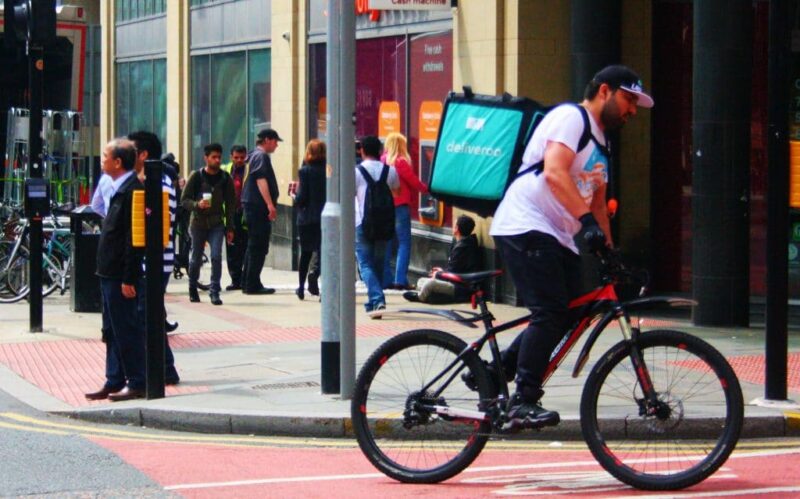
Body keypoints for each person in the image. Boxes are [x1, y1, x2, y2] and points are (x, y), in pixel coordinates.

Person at [487, 64, 653, 428]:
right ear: (605, 91)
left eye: (636, 104)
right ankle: (523, 400)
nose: (632, 110)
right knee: (549, 311)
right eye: (629, 99)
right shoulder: (570, 117)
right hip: (524, 222)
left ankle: (493, 371)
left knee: (574, 310)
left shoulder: (603, 143)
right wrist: (589, 226)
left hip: (557, 233)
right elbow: (554, 171)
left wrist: (612, 254)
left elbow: (597, 204)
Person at [85, 138, 147, 402]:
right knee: (111, 329)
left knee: (126, 328)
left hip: (120, 275)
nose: (102, 160)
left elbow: (134, 240)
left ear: (118, 162)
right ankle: (114, 379)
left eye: (105, 156)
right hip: (107, 271)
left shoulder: (133, 190)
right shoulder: (117, 188)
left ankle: (137, 381)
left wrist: (129, 277)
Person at [128, 131, 181, 385]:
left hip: (156, 261)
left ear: (144, 155)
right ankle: (163, 369)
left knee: (147, 314)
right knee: (150, 314)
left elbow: (154, 226)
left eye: (131, 151)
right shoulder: (150, 181)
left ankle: (163, 370)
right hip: (153, 261)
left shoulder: (157, 183)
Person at [181, 143, 236, 305]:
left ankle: (215, 291)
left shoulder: (225, 178)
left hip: (217, 223)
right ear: (206, 158)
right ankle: (192, 287)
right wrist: (197, 205)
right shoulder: (196, 176)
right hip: (198, 223)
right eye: (213, 157)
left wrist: (230, 227)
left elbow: (231, 204)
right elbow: (184, 200)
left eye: (219, 157)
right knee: (196, 258)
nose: (217, 160)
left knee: (216, 256)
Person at [355, 135, 399, 315]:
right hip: (384, 222)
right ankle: (374, 301)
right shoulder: (390, 170)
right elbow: (396, 191)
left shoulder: (357, 171)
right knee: (379, 262)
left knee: (365, 263)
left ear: (362, 151)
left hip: (362, 222)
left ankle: (377, 298)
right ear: (380, 151)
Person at [381, 132, 428, 290]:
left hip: (386, 207)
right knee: (404, 243)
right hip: (400, 206)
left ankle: (386, 279)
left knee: (387, 242)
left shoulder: (382, 160)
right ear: (400, 145)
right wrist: (429, 189)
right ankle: (400, 280)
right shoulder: (400, 162)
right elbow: (414, 181)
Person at [403, 215, 482, 304]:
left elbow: (454, 273)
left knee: (430, 284)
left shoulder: (463, 247)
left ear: (457, 229)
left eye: (454, 225)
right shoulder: (463, 244)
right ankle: (431, 295)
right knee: (421, 281)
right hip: (456, 283)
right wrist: (441, 272)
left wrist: (438, 274)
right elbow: (454, 269)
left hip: (461, 288)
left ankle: (420, 297)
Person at [241, 128, 281, 295]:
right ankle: (252, 284)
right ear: (266, 140)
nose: (276, 145)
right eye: (275, 141)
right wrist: (270, 205)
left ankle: (248, 281)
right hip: (257, 207)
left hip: (252, 205)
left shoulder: (253, 155)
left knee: (253, 245)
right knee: (258, 245)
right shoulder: (261, 156)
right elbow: (261, 180)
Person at [291, 139, 326, 300]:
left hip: (306, 218)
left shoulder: (305, 171)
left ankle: (300, 287)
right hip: (324, 216)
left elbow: (302, 197)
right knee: (323, 251)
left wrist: (294, 196)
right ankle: (317, 275)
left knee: (305, 253)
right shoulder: (329, 170)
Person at [221, 145, 249, 291]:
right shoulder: (225, 170)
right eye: (236, 157)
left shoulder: (249, 170)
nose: (239, 160)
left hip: (244, 214)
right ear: (231, 157)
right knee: (232, 250)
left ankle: (245, 278)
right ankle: (235, 280)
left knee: (245, 248)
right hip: (229, 215)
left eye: (242, 157)